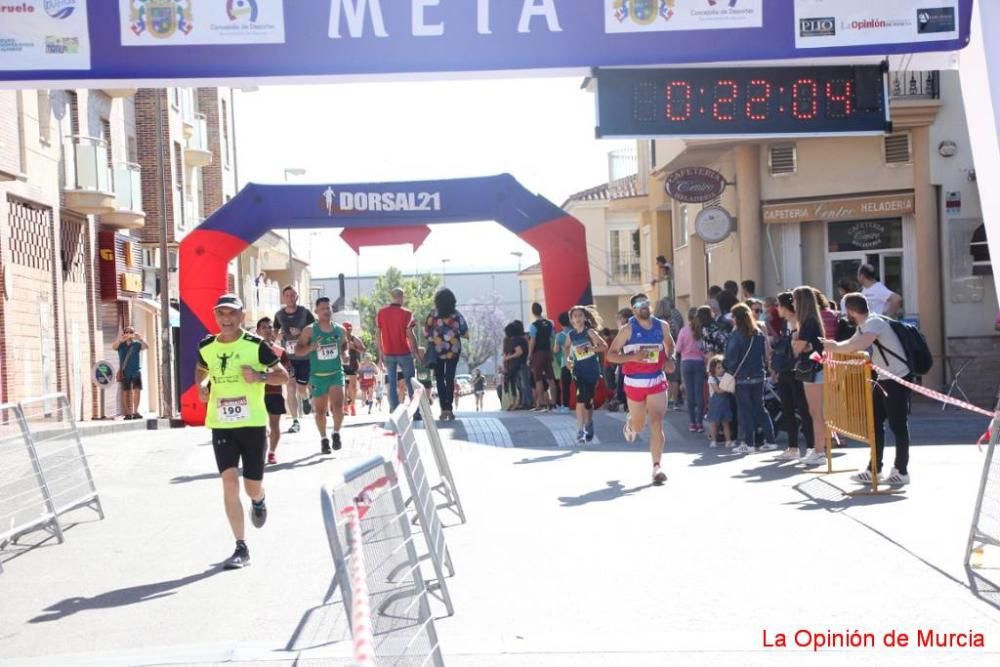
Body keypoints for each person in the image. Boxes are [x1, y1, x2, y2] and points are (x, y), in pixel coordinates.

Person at [196, 294, 289, 569]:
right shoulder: (206, 345)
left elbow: (283, 375)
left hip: (252, 425)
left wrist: (260, 376)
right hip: (222, 424)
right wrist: (202, 385)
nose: (226, 319)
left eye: (231, 314)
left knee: (251, 487)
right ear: (216, 316)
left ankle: (259, 500)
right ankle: (240, 546)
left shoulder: (256, 345)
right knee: (228, 482)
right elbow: (202, 370)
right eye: (221, 314)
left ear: (241, 316)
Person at [822, 293, 913, 486]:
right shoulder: (864, 326)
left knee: (898, 425)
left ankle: (902, 471)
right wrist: (834, 346)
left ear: (851, 311)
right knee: (874, 424)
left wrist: (835, 347)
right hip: (883, 378)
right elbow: (850, 345)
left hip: (897, 378)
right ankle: (874, 469)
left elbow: (860, 345)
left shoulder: (874, 323)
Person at [606, 293, 676, 485]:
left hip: (656, 379)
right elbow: (610, 356)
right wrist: (632, 358)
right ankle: (630, 424)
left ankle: (657, 467)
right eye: (638, 304)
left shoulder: (662, 326)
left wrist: (670, 360)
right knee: (639, 426)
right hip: (634, 382)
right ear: (634, 309)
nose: (643, 306)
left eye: (645, 302)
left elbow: (670, 345)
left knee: (656, 422)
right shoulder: (627, 330)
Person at [295, 297, 347, 454]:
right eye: (323, 308)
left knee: (338, 406)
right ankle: (324, 438)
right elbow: (297, 350)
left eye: (328, 308)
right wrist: (310, 348)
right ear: (316, 311)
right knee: (320, 411)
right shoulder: (310, 330)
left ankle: (336, 433)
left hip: (336, 373)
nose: (326, 310)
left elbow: (344, 344)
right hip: (318, 376)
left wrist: (345, 353)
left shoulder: (340, 330)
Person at [724, 303, 777, 454]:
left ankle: (749, 443)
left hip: (741, 377)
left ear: (736, 318)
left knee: (745, 411)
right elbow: (764, 354)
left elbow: (731, 357)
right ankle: (771, 441)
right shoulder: (758, 333)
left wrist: (728, 369)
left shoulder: (736, 334)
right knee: (761, 409)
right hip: (758, 375)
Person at [772, 292, 814, 462]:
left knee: (804, 409)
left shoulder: (801, 322)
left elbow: (802, 347)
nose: (777, 308)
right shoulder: (785, 324)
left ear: (785, 306)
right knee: (787, 408)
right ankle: (793, 447)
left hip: (799, 369)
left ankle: (812, 447)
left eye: (779, 305)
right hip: (784, 369)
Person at [791, 286, 827, 466]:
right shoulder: (811, 321)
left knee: (816, 412)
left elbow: (796, 348)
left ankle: (820, 451)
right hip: (815, 368)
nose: (793, 304)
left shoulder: (807, 323)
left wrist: (797, 340)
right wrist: (801, 344)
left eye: (795, 300)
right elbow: (802, 347)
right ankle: (818, 449)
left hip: (814, 370)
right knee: (815, 412)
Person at [273, 286, 315, 434]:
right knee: (290, 387)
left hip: (304, 356)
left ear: (297, 297)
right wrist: (278, 336)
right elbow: (274, 332)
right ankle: (295, 421)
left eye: (292, 295)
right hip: (288, 358)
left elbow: (315, 329)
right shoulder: (279, 315)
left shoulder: (305, 313)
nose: (290, 298)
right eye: (287, 296)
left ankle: (305, 398)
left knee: (301, 388)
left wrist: (301, 332)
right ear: (284, 298)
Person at [423, 288, 469, 421]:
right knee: (450, 379)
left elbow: (426, 333)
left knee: (440, 380)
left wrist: (436, 336)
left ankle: (443, 409)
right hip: (453, 351)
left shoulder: (433, 314)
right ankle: (450, 409)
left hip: (437, 351)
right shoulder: (456, 315)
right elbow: (465, 331)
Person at [564, 305, 608, 443]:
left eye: (580, 315)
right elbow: (566, 348)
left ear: (584, 317)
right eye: (574, 316)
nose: (577, 318)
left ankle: (589, 423)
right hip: (578, 371)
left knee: (588, 401)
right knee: (580, 399)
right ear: (571, 320)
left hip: (592, 371)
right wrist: (567, 360)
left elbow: (604, 346)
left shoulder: (589, 332)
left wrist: (592, 348)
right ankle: (581, 429)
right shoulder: (571, 335)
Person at [375, 287, 422, 413]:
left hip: (388, 353)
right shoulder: (407, 313)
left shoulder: (381, 313)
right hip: (404, 352)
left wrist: (381, 354)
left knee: (392, 383)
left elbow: (378, 335)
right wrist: (416, 352)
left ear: (391, 297)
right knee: (410, 381)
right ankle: (415, 411)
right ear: (402, 297)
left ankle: (394, 411)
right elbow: (410, 334)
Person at [255, 317, 291, 465]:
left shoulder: (280, 351)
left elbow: (286, 373)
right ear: (257, 331)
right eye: (263, 327)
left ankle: (272, 452)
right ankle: (260, 451)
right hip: (257, 392)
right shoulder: (252, 348)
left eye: (269, 327)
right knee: (260, 426)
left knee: (274, 424)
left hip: (274, 392)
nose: (267, 330)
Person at [675, 307, 706, 433]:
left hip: (686, 362)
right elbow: (704, 348)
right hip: (699, 362)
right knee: (700, 394)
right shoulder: (702, 331)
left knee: (690, 394)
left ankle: (692, 422)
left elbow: (678, 349)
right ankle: (700, 422)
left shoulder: (683, 331)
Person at [113, 325, 148, 420]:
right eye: (127, 332)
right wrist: (120, 338)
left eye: (131, 332)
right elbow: (114, 346)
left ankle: (135, 411)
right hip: (125, 371)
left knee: (137, 390)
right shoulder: (121, 345)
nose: (129, 334)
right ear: (124, 333)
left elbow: (146, 347)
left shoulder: (136, 344)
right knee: (125, 392)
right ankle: (128, 413)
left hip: (136, 371)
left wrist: (140, 338)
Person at [527, 302, 556, 412]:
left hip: (537, 353)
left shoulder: (534, 325)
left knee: (538, 378)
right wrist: (552, 352)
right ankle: (553, 403)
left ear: (533, 312)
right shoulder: (550, 324)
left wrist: (529, 355)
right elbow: (552, 339)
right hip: (548, 352)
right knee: (550, 378)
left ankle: (542, 404)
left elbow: (532, 341)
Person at [705, 356, 735, 448]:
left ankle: (728, 441)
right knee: (713, 423)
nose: (721, 370)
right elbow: (717, 390)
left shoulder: (725, 377)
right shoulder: (712, 379)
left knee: (725, 423)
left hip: (725, 404)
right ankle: (713, 440)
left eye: (722, 367)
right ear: (713, 369)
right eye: (718, 368)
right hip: (715, 404)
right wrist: (727, 387)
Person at [502, 321, 531, 410]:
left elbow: (519, 352)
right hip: (522, 363)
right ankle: (524, 402)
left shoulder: (514, 340)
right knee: (523, 384)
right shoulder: (522, 339)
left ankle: (527, 403)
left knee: (522, 384)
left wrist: (508, 358)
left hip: (519, 364)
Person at [341, 322, 365, 417]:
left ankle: (352, 406)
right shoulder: (338, 338)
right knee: (344, 387)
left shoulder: (354, 339)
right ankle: (345, 406)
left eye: (350, 329)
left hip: (352, 365)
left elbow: (363, 349)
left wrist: (354, 347)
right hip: (342, 365)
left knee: (353, 386)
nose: (348, 331)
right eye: (347, 329)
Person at [554, 312, 572, 413]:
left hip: (565, 363)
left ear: (560, 323)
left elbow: (556, 350)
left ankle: (565, 406)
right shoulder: (575, 332)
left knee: (565, 385)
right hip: (578, 362)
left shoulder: (559, 336)